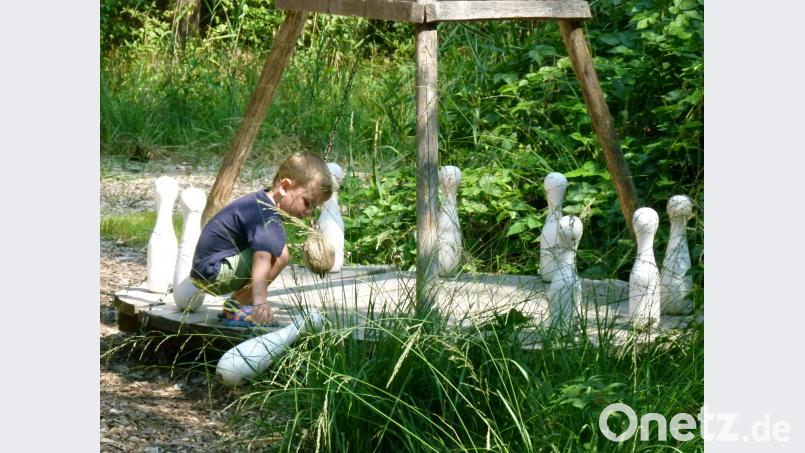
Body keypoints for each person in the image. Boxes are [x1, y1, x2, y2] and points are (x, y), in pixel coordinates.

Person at [189, 151, 333, 327]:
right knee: (279, 254)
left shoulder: (260, 201)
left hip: (205, 270)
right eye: (307, 203)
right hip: (213, 273)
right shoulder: (267, 215)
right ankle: (241, 307)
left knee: (278, 249)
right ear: (285, 187)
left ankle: (237, 305)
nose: (309, 212)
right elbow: (262, 257)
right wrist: (260, 301)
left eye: (314, 207)